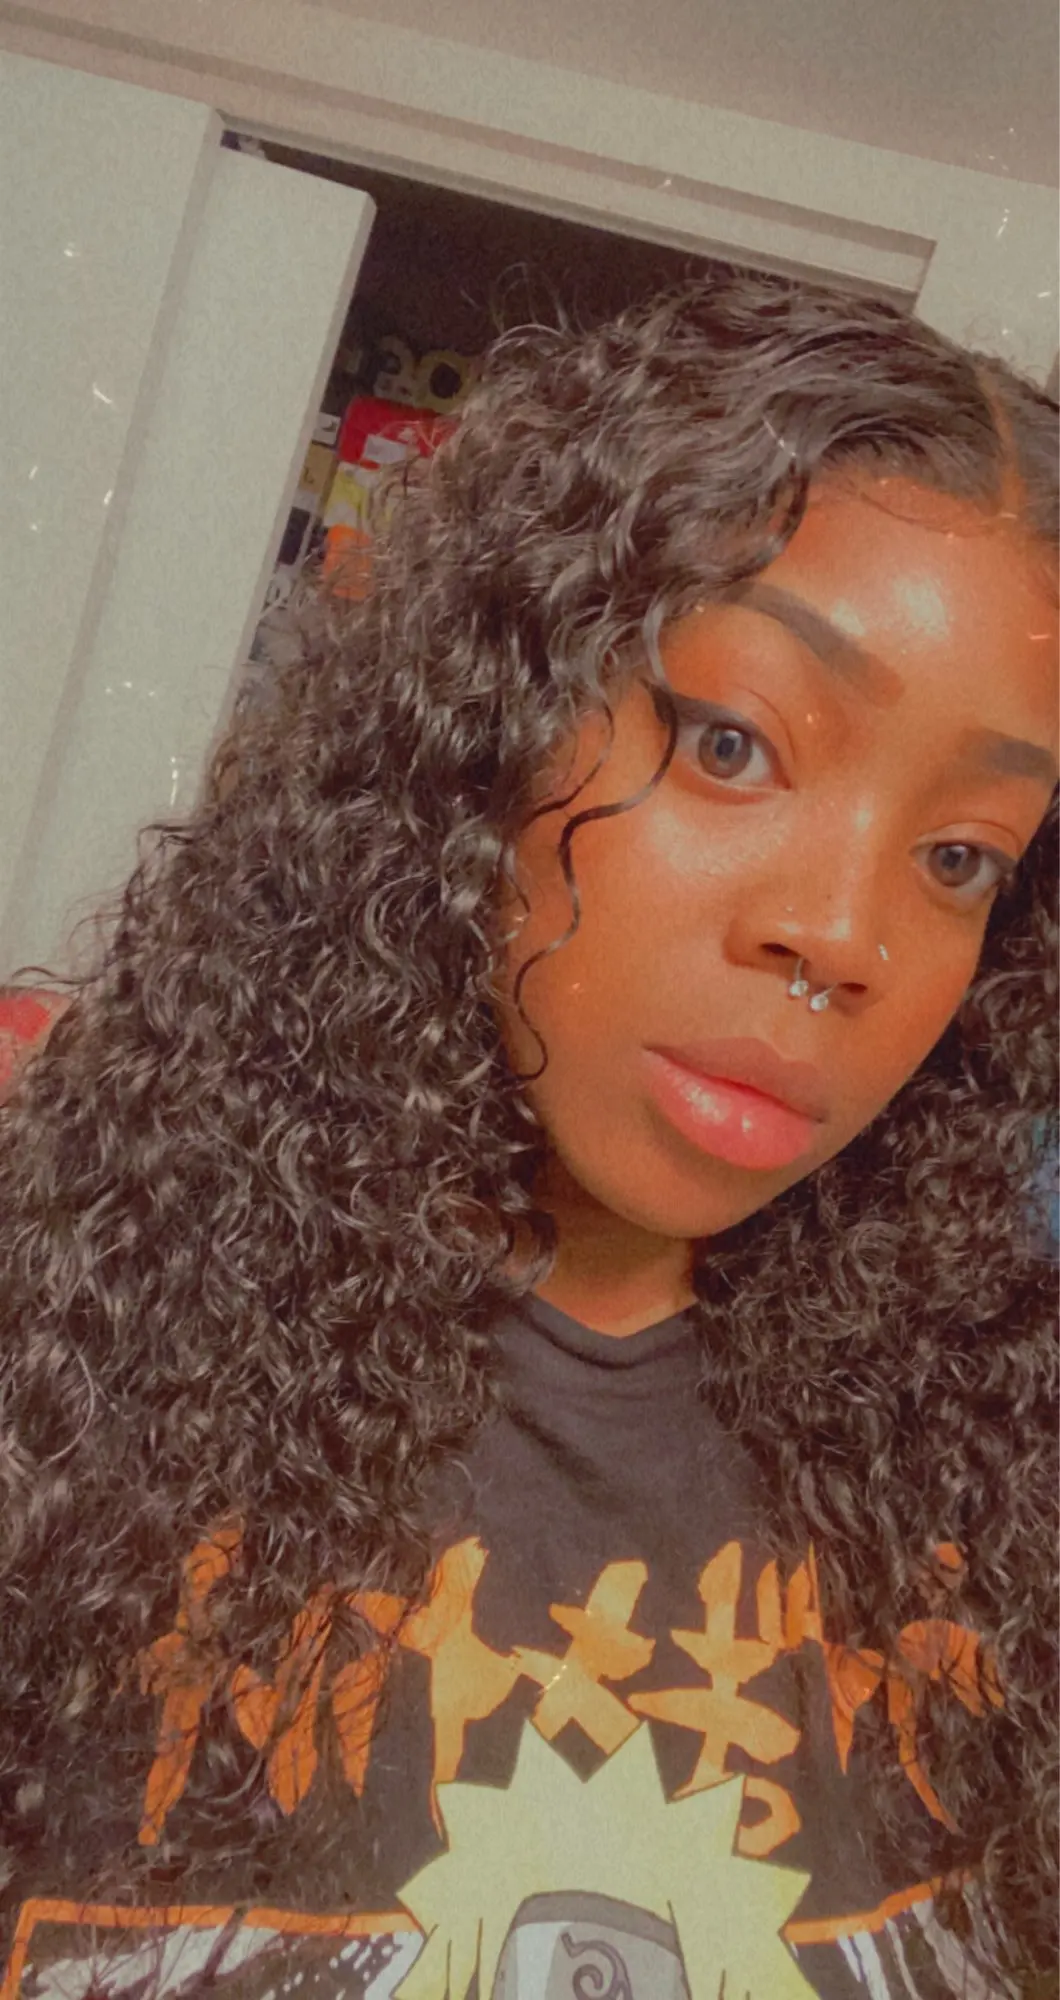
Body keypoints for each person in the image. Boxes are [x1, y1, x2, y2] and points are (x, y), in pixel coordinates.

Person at [0, 271, 1056, 2000]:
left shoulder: (1005, 1485)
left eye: (961, 858)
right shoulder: (52, 1362)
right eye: (733, 744)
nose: (843, 935)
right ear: (485, 727)